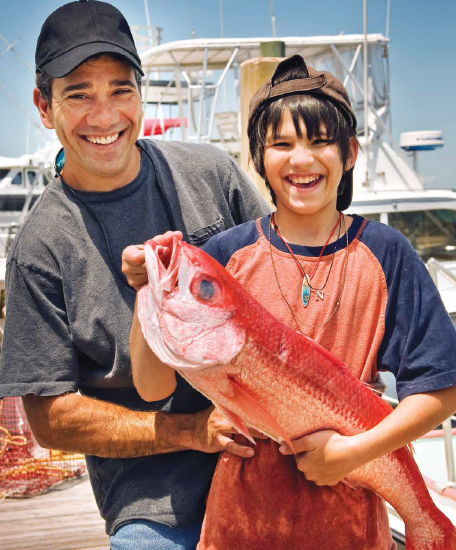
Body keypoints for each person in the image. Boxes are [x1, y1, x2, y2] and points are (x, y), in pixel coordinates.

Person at [125, 55, 456, 549]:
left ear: (350, 154)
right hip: (239, 527)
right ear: (257, 158)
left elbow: (442, 391)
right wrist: (148, 290)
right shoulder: (226, 255)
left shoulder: (387, 254)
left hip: (352, 531)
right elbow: (151, 388)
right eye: (281, 144)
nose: (301, 159)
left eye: (320, 141)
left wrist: (350, 454)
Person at [0, 1, 270, 549]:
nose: (104, 116)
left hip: (269, 451)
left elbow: (283, 284)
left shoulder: (211, 174)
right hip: (153, 497)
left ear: (141, 95)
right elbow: (49, 418)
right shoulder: (40, 248)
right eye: (78, 94)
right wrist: (190, 432)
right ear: (44, 107)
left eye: (120, 90)